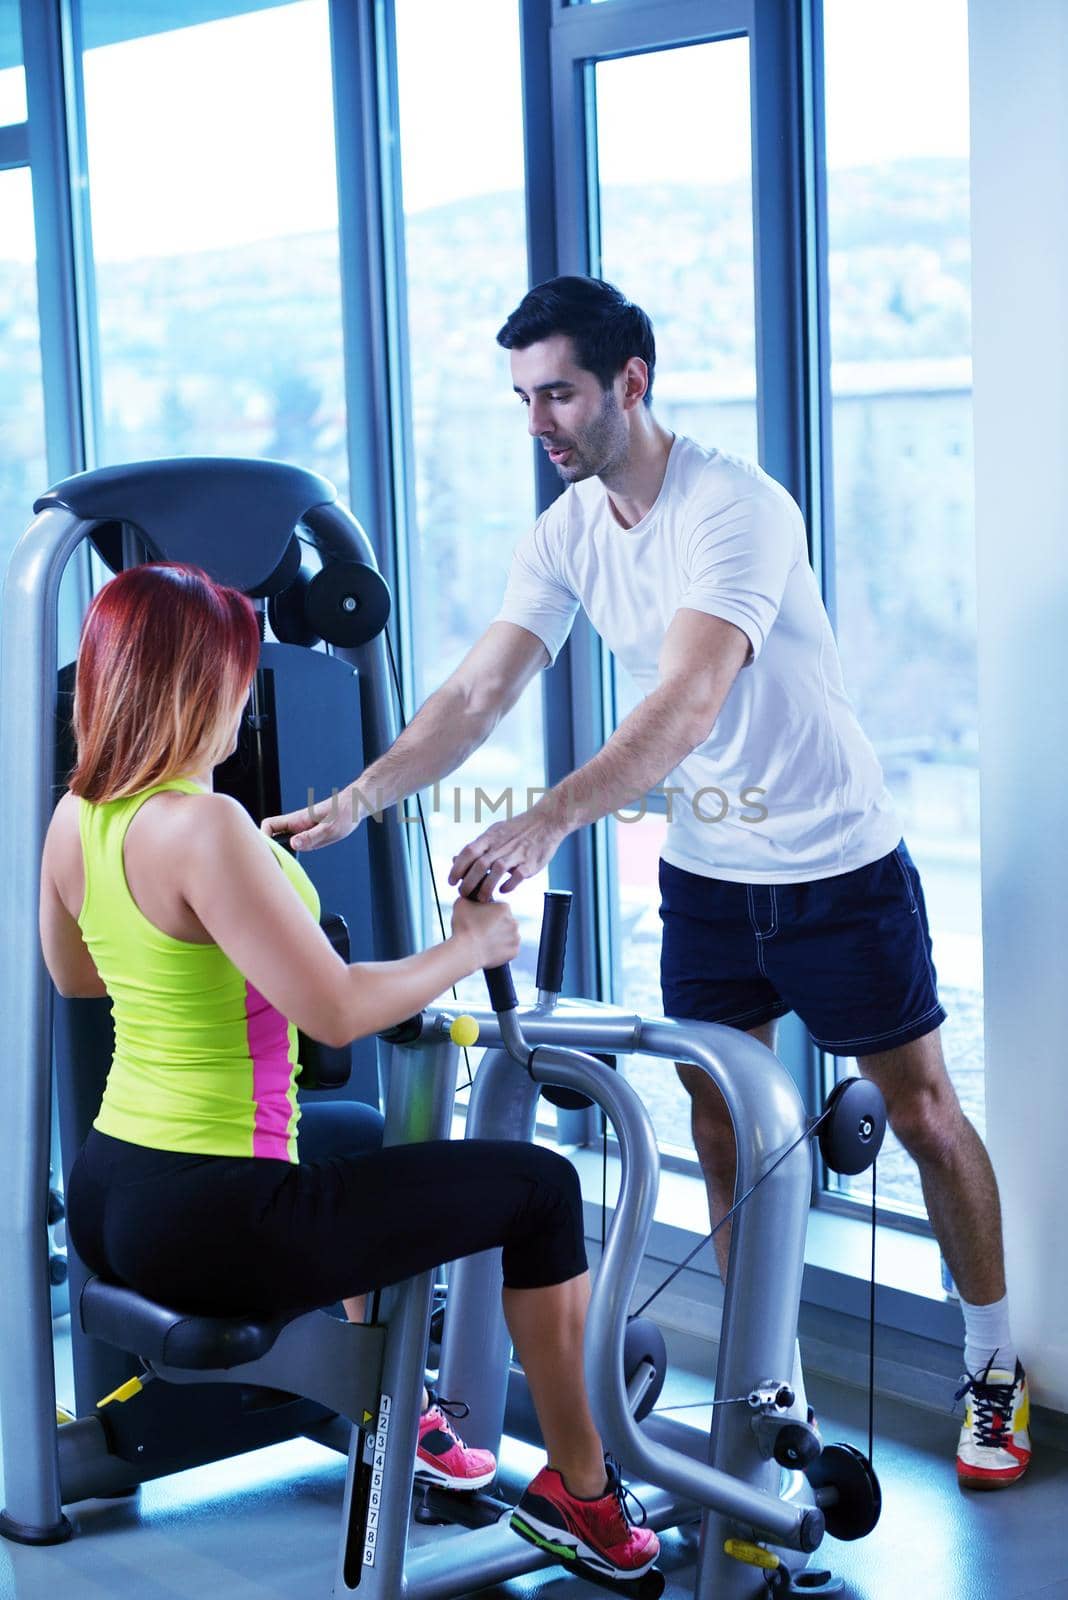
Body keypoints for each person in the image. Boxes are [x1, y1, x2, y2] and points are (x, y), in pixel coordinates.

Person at [264, 275, 1030, 1492]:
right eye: (522, 397)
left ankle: (994, 1370)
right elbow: (477, 694)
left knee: (926, 1112)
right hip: (708, 876)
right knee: (722, 1118)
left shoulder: (735, 509)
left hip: (834, 859)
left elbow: (687, 701)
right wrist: (364, 796)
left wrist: (549, 820)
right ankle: (768, 1375)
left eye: (558, 391)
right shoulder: (569, 530)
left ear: (634, 378)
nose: (538, 423)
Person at [39, 561, 659, 1585]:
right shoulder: (206, 826)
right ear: (198, 686)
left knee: (363, 1144)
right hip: (217, 1217)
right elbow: (334, 1008)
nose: (246, 693)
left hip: (115, 1193)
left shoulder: (79, 817)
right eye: (237, 674)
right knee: (541, 1186)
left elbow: (81, 975)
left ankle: (404, 1409)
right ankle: (583, 1496)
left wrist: (226, 918)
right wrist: (476, 944)